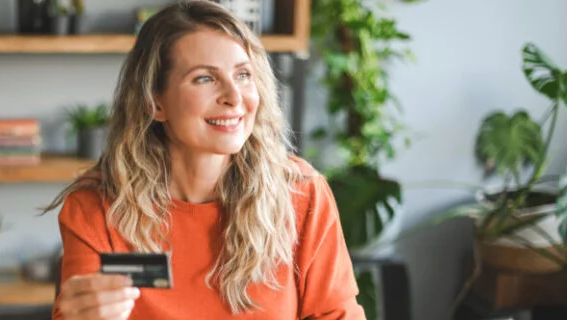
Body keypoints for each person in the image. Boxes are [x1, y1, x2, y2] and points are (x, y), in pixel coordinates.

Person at [42, 1, 365, 319]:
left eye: (243, 75)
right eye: (204, 79)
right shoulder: (95, 209)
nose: (234, 97)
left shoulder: (302, 193)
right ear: (155, 102)